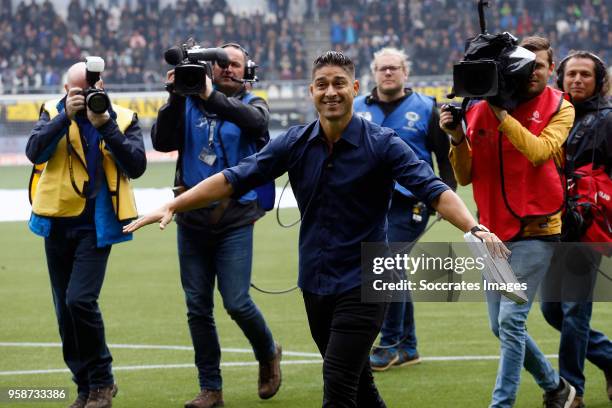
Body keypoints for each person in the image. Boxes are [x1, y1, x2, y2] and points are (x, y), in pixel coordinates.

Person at [126, 50, 508, 408]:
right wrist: (174, 203)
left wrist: (474, 228)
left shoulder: (383, 144)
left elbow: (434, 189)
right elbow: (234, 177)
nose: (331, 92)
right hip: (315, 282)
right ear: (311, 92)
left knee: (338, 384)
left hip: (366, 282)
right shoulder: (295, 141)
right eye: (322, 84)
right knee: (360, 383)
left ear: (354, 89)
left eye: (339, 83)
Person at [440, 36, 576, 408]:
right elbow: (465, 177)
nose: (531, 71)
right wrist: (455, 138)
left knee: (512, 322)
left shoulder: (560, 106)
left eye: (539, 65)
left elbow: (539, 152)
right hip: (492, 235)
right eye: (523, 64)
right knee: (499, 325)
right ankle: (557, 388)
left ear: (551, 69)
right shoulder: (478, 107)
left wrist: (502, 115)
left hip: (538, 231)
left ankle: (501, 404)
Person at [150, 42, 281, 408]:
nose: (226, 69)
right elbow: (161, 141)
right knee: (197, 307)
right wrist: (177, 95)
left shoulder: (255, 103)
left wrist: (209, 94)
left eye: (234, 64)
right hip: (191, 218)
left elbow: (256, 124)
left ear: (247, 70)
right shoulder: (188, 101)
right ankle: (211, 388)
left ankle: (268, 351)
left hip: (235, 217)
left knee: (237, 301)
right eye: (219, 63)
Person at [25, 61, 146, 408]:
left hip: (97, 226)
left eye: (93, 88)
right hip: (57, 222)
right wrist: (65, 116)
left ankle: (103, 380)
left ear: (102, 85)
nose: (89, 95)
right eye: (79, 91)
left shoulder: (121, 117)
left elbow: (136, 165)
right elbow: (35, 152)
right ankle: (84, 387)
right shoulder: (52, 111)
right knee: (65, 313)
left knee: (80, 300)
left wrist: (105, 124)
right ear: (67, 91)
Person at [354, 47, 457, 371]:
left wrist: (447, 193)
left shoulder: (427, 108)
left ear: (405, 72)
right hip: (367, 201)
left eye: (394, 68)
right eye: (382, 68)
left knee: (386, 265)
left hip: (410, 199)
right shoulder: (356, 109)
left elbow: (444, 153)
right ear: (373, 72)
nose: (388, 73)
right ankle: (408, 346)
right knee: (392, 268)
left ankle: (389, 343)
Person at [540, 50, 612, 408]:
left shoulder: (609, 120)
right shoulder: (553, 114)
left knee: (573, 311)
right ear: (561, 78)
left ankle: (572, 391)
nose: (578, 80)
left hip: (588, 229)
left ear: (600, 81)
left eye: (586, 74)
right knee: (552, 312)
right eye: (572, 74)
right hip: (552, 226)